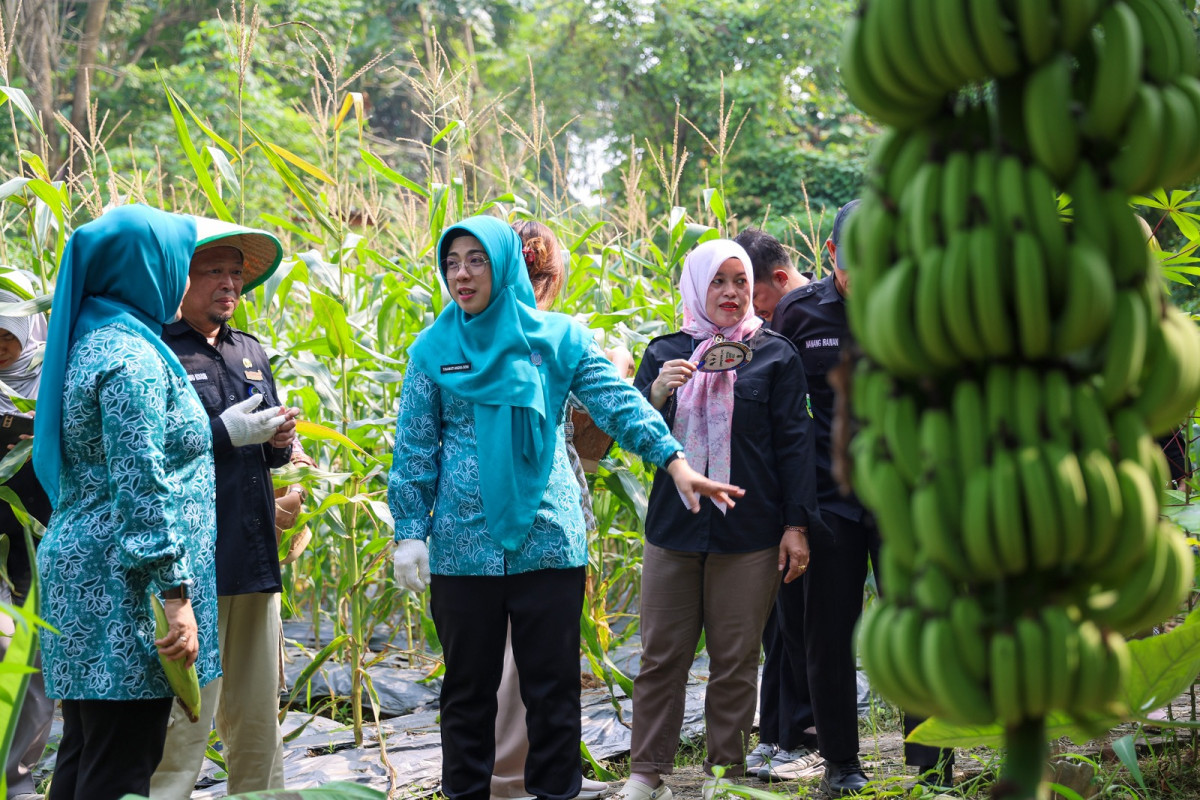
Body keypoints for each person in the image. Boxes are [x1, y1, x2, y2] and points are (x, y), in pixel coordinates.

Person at [389, 214, 740, 800]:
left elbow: (618, 405)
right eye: (452, 262)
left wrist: (675, 461)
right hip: (460, 546)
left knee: (552, 689)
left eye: (477, 260)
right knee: (466, 691)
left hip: (547, 538)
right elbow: (416, 448)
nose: (462, 274)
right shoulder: (432, 352)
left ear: (503, 266)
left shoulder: (559, 340)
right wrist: (409, 532)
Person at [616, 239, 818, 800]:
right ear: (697, 287)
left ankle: (724, 776)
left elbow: (795, 446)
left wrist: (795, 526)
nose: (731, 293)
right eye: (718, 282)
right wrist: (656, 392)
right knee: (661, 658)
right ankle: (645, 772)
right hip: (673, 531)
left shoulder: (774, 354)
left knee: (735, 662)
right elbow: (637, 435)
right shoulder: (665, 351)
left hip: (749, 534)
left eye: (741, 281)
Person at [31, 205, 221, 800]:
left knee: (88, 752)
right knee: (119, 765)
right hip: (125, 592)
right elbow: (142, 487)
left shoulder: (92, 341)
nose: (185, 281)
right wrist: (175, 598)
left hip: (88, 576)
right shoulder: (132, 361)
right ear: (148, 268)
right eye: (179, 264)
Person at [771, 200, 954, 795]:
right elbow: (774, 404)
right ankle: (843, 765)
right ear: (830, 257)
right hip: (830, 503)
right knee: (828, 635)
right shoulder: (799, 314)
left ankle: (932, 762)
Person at [150, 218, 296, 798]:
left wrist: (282, 444)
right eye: (215, 272)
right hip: (192, 565)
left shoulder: (251, 351)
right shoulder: (159, 348)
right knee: (184, 721)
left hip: (255, 555)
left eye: (236, 273)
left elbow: (272, 452)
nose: (230, 284)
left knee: (258, 718)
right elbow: (151, 451)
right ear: (181, 280)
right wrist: (221, 432)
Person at [490, 219, 607, 800]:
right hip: (508, 518)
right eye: (527, 274)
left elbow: (598, 414)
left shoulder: (561, 337)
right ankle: (511, 777)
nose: (534, 287)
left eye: (541, 276)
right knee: (520, 662)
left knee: (545, 659)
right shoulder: (480, 339)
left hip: (557, 515)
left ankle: (548, 774)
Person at [731, 229, 820, 781]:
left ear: (779, 281)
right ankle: (778, 732)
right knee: (778, 625)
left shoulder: (802, 319)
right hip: (769, 502)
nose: (744, 304)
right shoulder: (768, 324)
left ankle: (803, 735)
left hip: (813, 497)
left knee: (806, 622)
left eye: (749, 289)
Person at [0, 289, 54, 799]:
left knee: (31, 660)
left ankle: (17, 780)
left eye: (7, 336)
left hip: (36, 547)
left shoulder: (53, 383)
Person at [735, 228, 809, 325]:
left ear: (780, 278)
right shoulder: (753, 326)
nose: (751, 308)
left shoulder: (830, 310)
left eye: (753, 296)